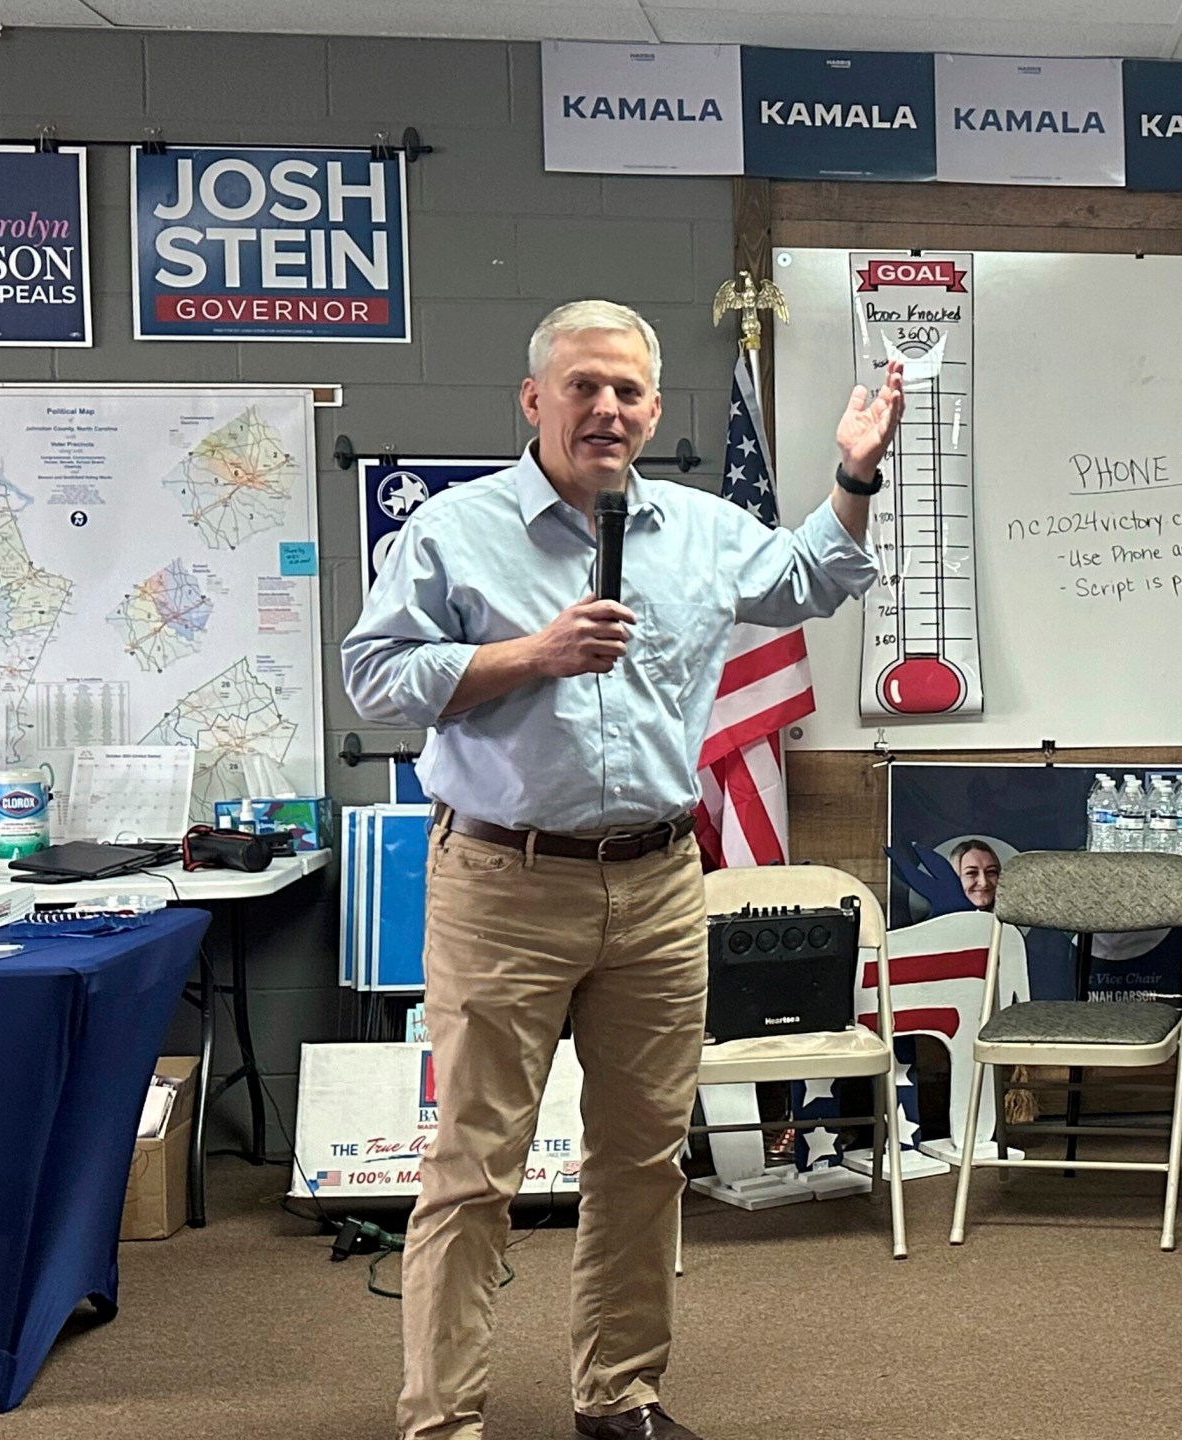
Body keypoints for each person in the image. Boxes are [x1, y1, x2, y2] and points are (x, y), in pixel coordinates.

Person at [343, 300, 903, 1440]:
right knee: (472, 1169)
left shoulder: (696, 528)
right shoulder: (455, 530)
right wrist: (527, 655)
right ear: (534, 400)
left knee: (644, 1158)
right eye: (584, 386)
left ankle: (619, 1395)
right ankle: (442, 1419)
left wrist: (852, 477)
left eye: (628, 392)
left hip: (654, 886)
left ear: (651, 408)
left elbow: (805, 580)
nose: (606, 409)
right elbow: (374, 677)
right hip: (506, 881)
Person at [950, 838, 1001, 911]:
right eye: (971, 873)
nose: (984, 883)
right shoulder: (938, 921)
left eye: (991, 872)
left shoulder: (1014, 919)